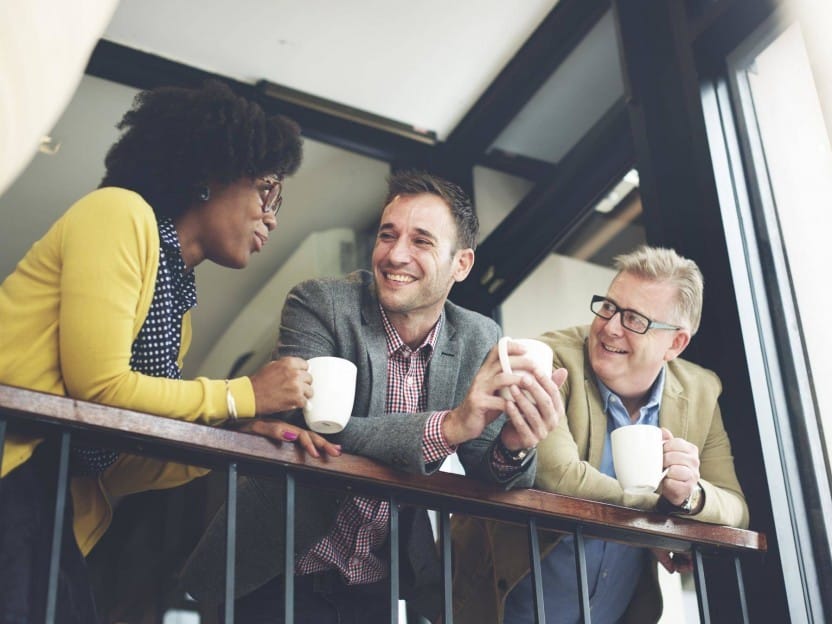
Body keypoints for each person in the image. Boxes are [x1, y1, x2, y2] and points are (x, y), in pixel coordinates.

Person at [0, 80, 341, 624]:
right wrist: (241, 394)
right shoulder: (117, 214)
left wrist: (225, 437)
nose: (271, 216)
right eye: (266, 189)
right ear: (210, 174)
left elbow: (113, 457)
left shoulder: (176, 299)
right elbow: (100, 389)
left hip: (52, 503)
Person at [180, 170, 567, 623]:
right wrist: (449, 427)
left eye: (421, 241)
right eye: (388, 235)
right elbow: (315, 428)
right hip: (277, 568)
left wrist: (516, 446)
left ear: (461, 264)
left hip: (378, 585)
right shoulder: (320, 303)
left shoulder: (479, 335)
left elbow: (491, 468)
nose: (396, 254)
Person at [451, 245, 749, 624]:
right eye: (608, 306)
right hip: (502, 606)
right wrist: (664, 516)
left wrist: (690, 495)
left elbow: (735, 507)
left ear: (675, 343)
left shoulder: (701, 391)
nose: (609, 327)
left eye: (634, 319)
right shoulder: (550, 357)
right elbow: (558, 478)